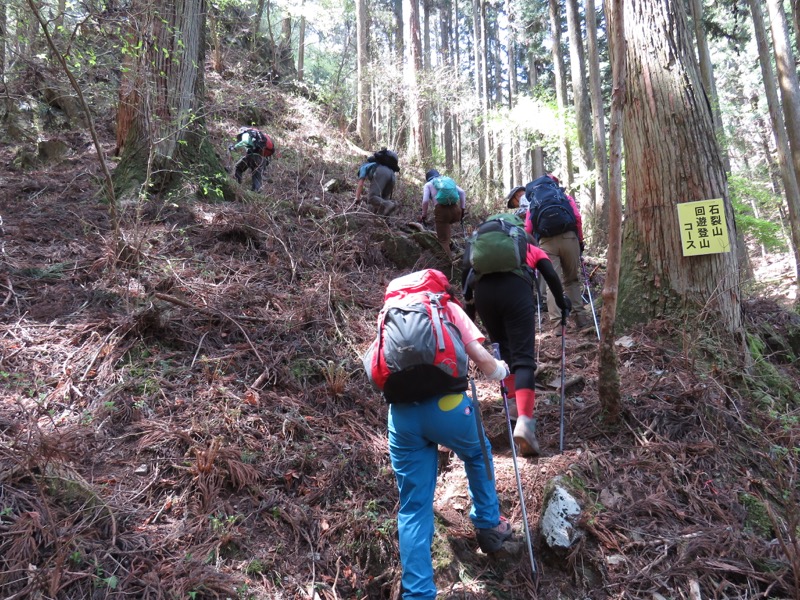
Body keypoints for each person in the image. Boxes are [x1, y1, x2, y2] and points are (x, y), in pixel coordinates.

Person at [380, 275, 514, 599]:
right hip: (449, 407)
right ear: (440, 288)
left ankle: (418, 593)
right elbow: (481, 360)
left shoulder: (389, 312)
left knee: (413, 507)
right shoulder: (446, 307)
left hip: (403, 416)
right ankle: (488, 523)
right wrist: (501, 370)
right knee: (477, 453)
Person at [463, 219, 571, 456]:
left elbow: (466, 277)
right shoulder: (528, 247)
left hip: (484, 296)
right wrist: (563, 305)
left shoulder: (480, 248)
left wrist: (469, 317)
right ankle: (524, 422)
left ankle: (513, 408)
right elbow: (550, 274)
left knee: (505, 354)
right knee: (523, 359)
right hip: (516, 292)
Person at [524, 174, 591, 334]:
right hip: (569, 238)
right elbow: (577, 218)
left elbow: (527, 229)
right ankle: (581, 320)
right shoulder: (565, 198)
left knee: (552, 283)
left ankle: (558, 325)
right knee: (572, 280)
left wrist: (533, 249)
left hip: (546, 243)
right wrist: (580, 241)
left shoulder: (534, 202)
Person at [420, 169, 466, 260]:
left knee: (443, 240)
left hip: (442, 212)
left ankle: (449, 264)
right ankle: (455, 251)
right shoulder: (447, 181)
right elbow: (462, 192)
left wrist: (423, 214)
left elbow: (425, 201)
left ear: (428, 178)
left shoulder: (428, 184)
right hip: (456, 211)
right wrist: (462, 210)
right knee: (446, 228)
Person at [229, 127, 272, 192]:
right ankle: (256, 191)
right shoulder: (258, 137)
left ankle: (237, 186)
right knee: (256, 175)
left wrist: (235, 147)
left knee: (238, 168)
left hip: (252, 156)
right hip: (262, 159)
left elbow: (245, 141)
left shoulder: (246, 134)